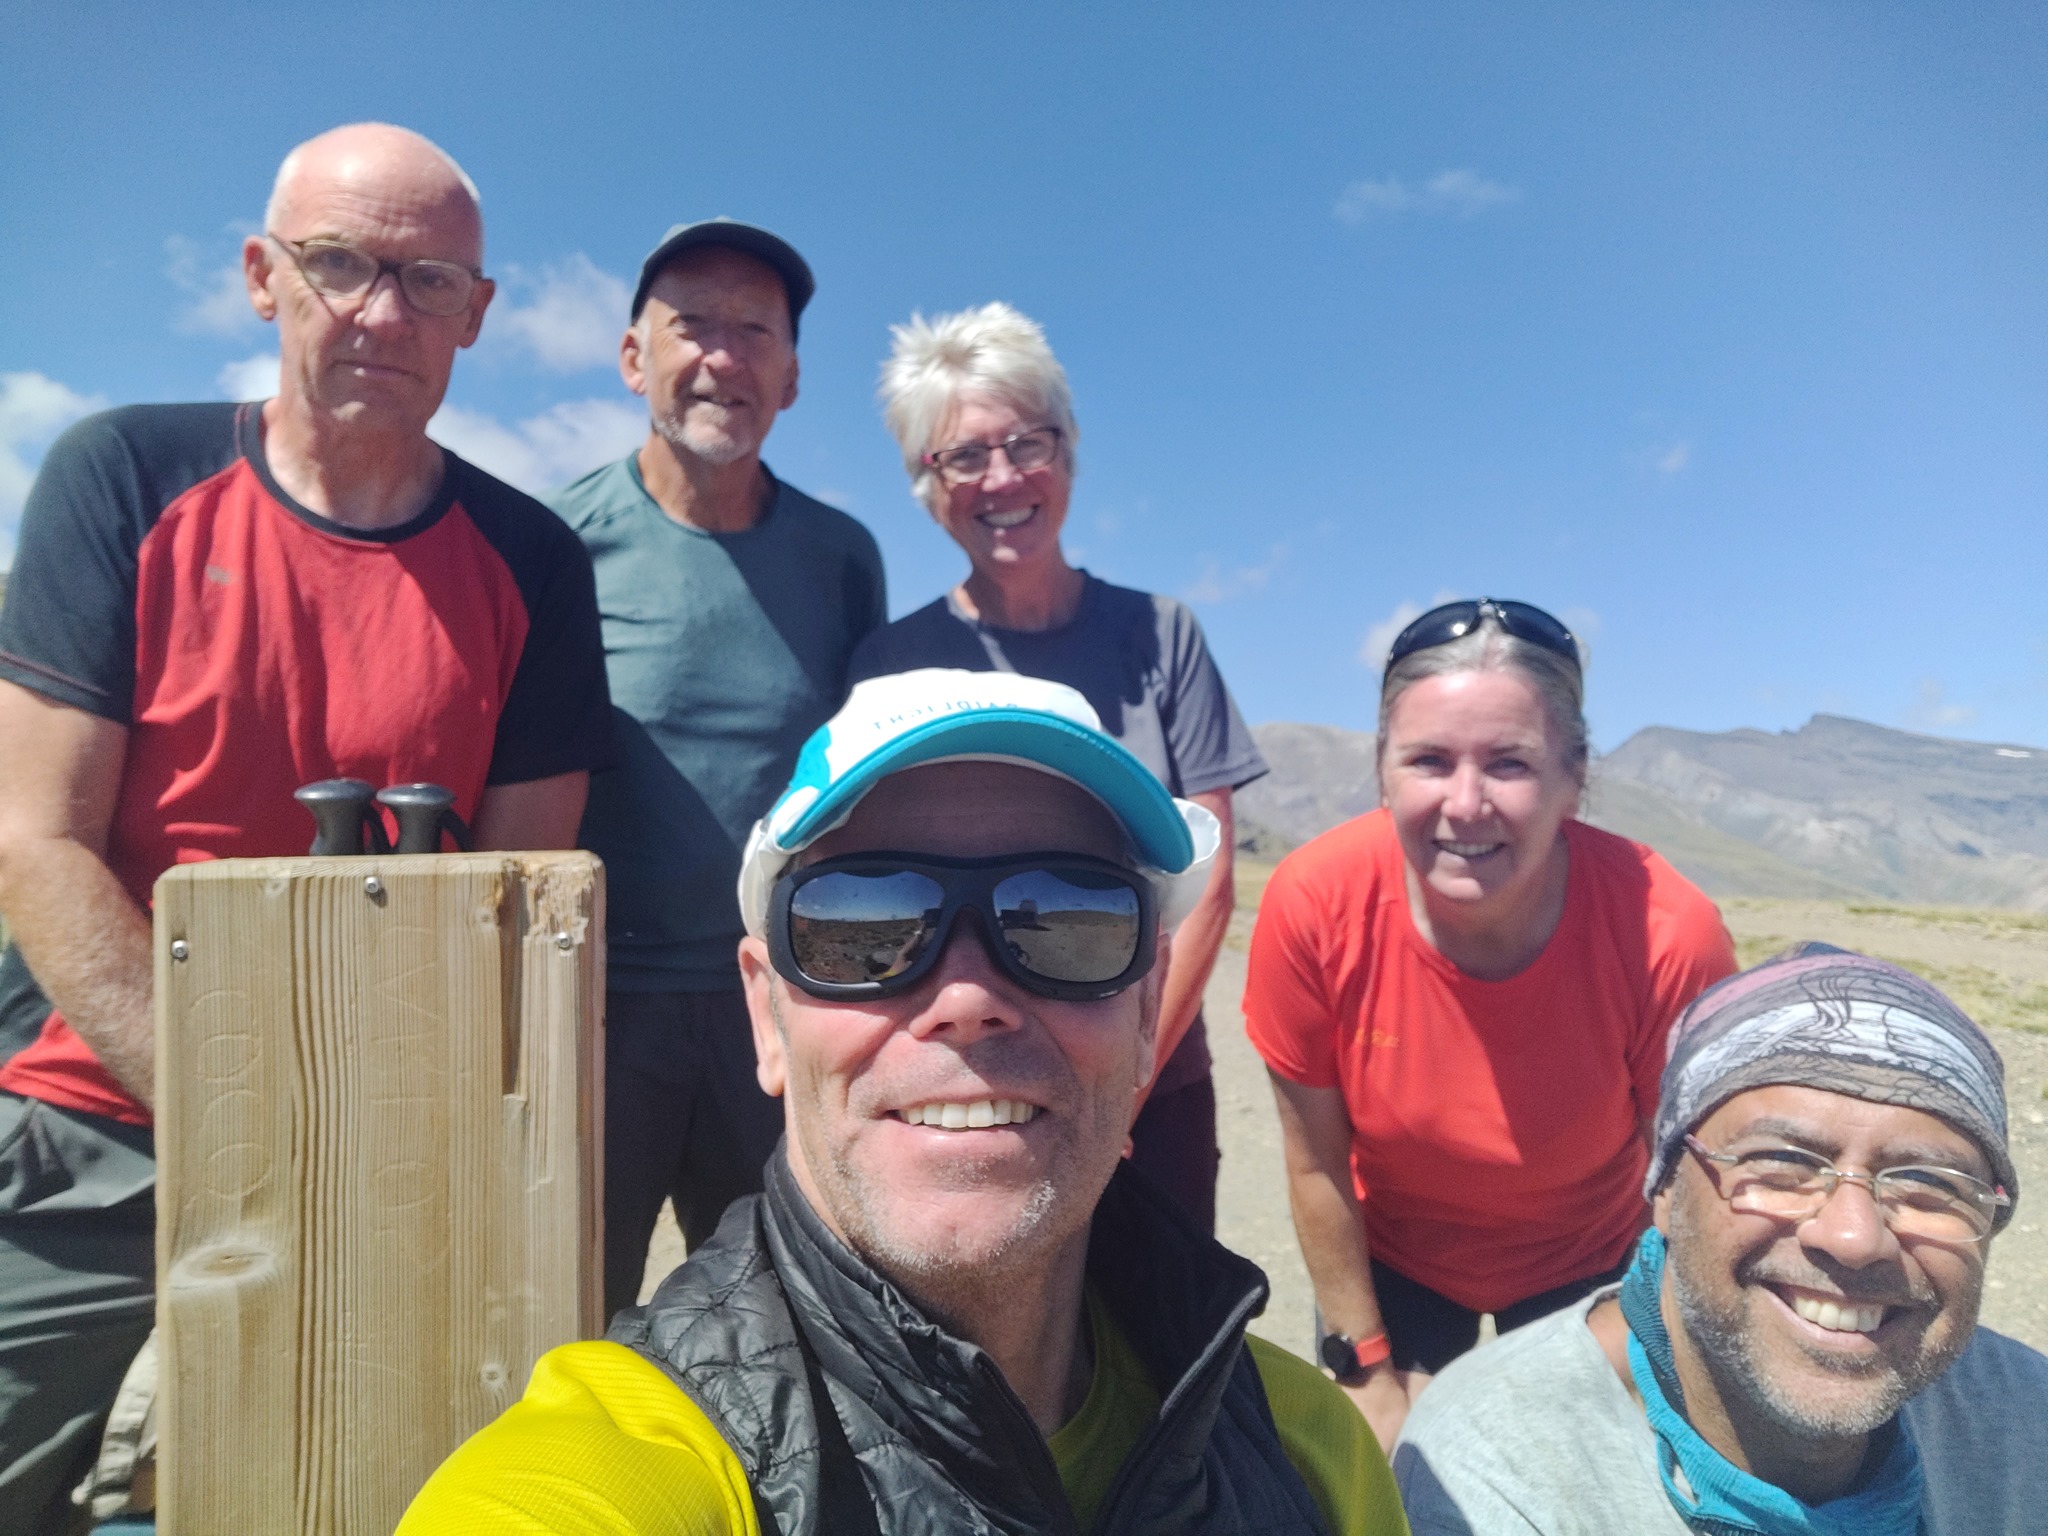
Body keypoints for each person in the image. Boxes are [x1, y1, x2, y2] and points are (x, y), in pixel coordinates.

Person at [399, 669, 1410, 1534]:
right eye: (860, 923)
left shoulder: (1307, 1457)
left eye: (1063, 920)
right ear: (766, 1016)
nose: (966, 1000)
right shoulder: (618, 1469)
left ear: (1148, 1012)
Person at [0, 123, 611, 1530]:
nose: (382, 312)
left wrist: (376, 1136)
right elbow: (39, 839)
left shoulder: (529, 563)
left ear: (479, 314)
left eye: (430, 280)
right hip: (105, 1108)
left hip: (406, 1136)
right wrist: (239, 1114)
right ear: (262, 278)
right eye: (340, 265)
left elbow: (526, 904)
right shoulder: (123, 481)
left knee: (407, 1486)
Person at [1242, 598, 1736, 1449]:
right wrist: (1362, 1367)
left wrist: (1623, 1354)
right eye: (1429, 761)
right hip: (1395, 1263)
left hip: (1592, 1266)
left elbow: (1691, 1196)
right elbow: (1316, 1163)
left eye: (1509, 763)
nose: (1465, 804)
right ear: (1382, 772)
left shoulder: (1667, 935)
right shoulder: (1314, 906)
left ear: (1573, 778)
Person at [849, 302, 1264, 1234]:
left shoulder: (1161, 635)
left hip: (1149, 1080)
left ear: (1068, 452)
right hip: (970, 1084)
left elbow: (1212, 880)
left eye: (1026, 443)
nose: (1001, 479)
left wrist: (1126, 1079)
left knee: (1165, 1336)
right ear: (927, 483)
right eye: (963, 455)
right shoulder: (890, 664)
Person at [1393, 944, 2047, 1534]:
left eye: (1927, 1184)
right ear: (1668, 1191)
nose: (1854, 1236)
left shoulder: (2025, 1420)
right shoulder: (1501, 1469)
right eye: (1784, 1164)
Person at [554, 218, 887, 1318]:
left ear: (790, 378)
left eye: (755, 331)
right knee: (565, 1308)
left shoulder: (841, 558)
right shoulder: (557, 541)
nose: (722, 357)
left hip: (775, 1005)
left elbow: (854, 785)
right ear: (632, 355)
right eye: (691, 324)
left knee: (782, 1315)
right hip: (593, 1012)